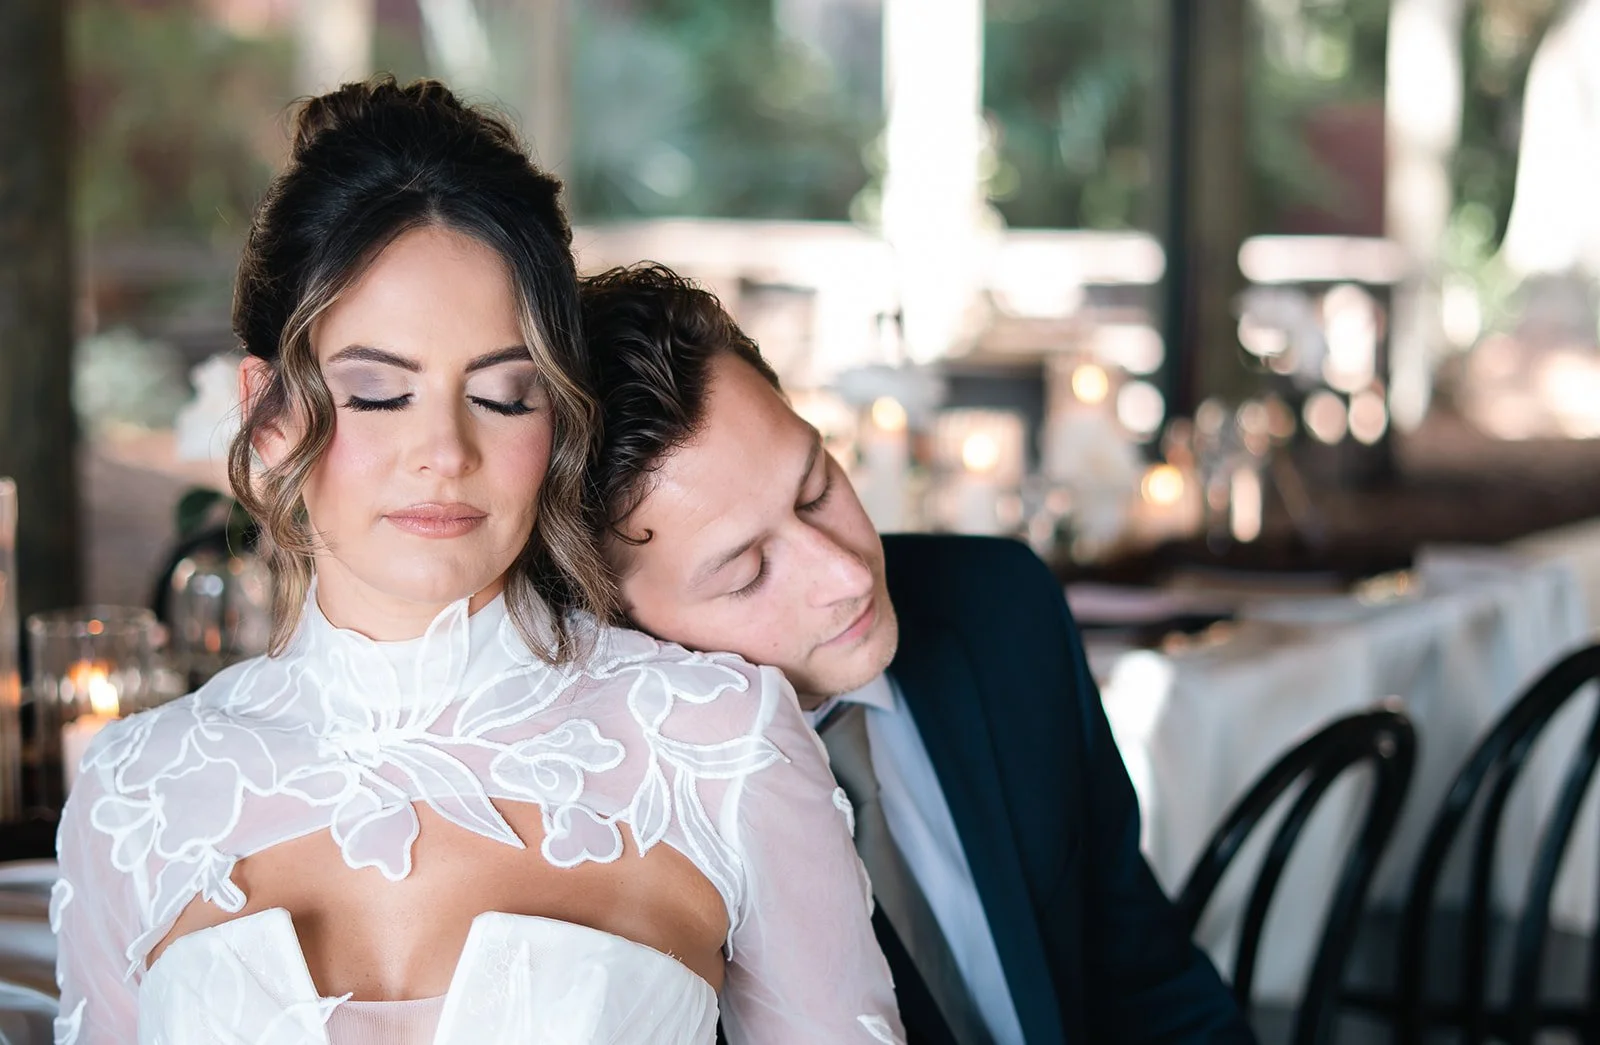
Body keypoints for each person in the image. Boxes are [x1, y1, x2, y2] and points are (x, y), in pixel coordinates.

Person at [51, 79, 903, 1045]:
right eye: (377, 394)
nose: (445, 453)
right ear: (271, 415)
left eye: (503, 396)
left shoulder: (721, 743)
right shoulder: (132, 794)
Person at [579, 263, 1258, 1045]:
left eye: (816, 488)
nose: (844, 573)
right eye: (747, 571)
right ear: (622, 628)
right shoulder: (620, 828)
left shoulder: (1002, 610)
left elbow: (1147, 976)